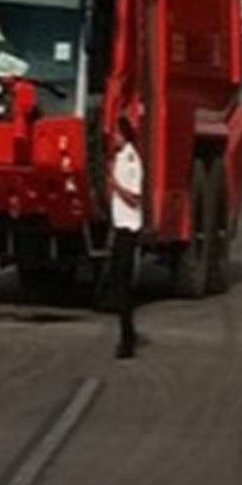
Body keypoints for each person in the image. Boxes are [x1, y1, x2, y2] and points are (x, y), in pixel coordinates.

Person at [107, 113, 142, 359]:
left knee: (123, 287)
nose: (113, 138)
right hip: (119, 227)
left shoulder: (131, 160)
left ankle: (127, 340)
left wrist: (116, 186)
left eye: (116, 133)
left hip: (129, 228)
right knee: (116, 284)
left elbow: (135, 198)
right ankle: (127, 333)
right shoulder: (119, 158)